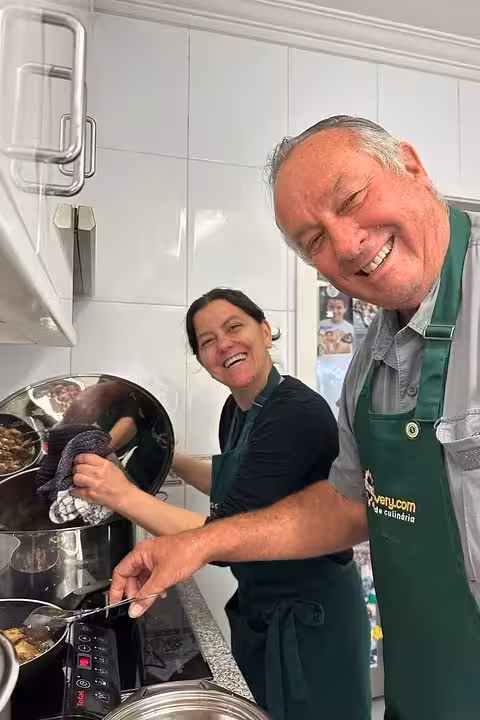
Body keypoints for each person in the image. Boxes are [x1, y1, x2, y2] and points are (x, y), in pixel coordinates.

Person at [106, 115, 480, 720]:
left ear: (410, 165)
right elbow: (347, 506)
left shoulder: (297, 409)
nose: (348, 243)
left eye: (352, 198)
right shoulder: (366, 369)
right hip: (425, 689)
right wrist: (196, 542)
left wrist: (126, 495)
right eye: (314, 241)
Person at [72, 287, 371, 720]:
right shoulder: (237, 410)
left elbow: (222, 535)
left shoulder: (297, 413)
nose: (223, 344)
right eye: (207, 341)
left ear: (265, 331)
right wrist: (166, 454)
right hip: (262, 607)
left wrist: (120, 493)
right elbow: (236, 484)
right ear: (202, 361)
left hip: (309, 618)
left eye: (234, 327)